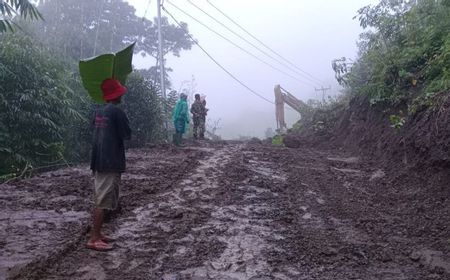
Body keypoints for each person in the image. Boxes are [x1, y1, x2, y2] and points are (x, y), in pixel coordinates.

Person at [87, 78, 131, 251]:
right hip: (111, 160)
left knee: (102, 197)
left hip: (98, 159)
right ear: (117, 94)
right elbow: (126, 134)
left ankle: (98, 234)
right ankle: (93, 239)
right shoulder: (117, 112)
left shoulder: (98, 111)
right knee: (103, 201)